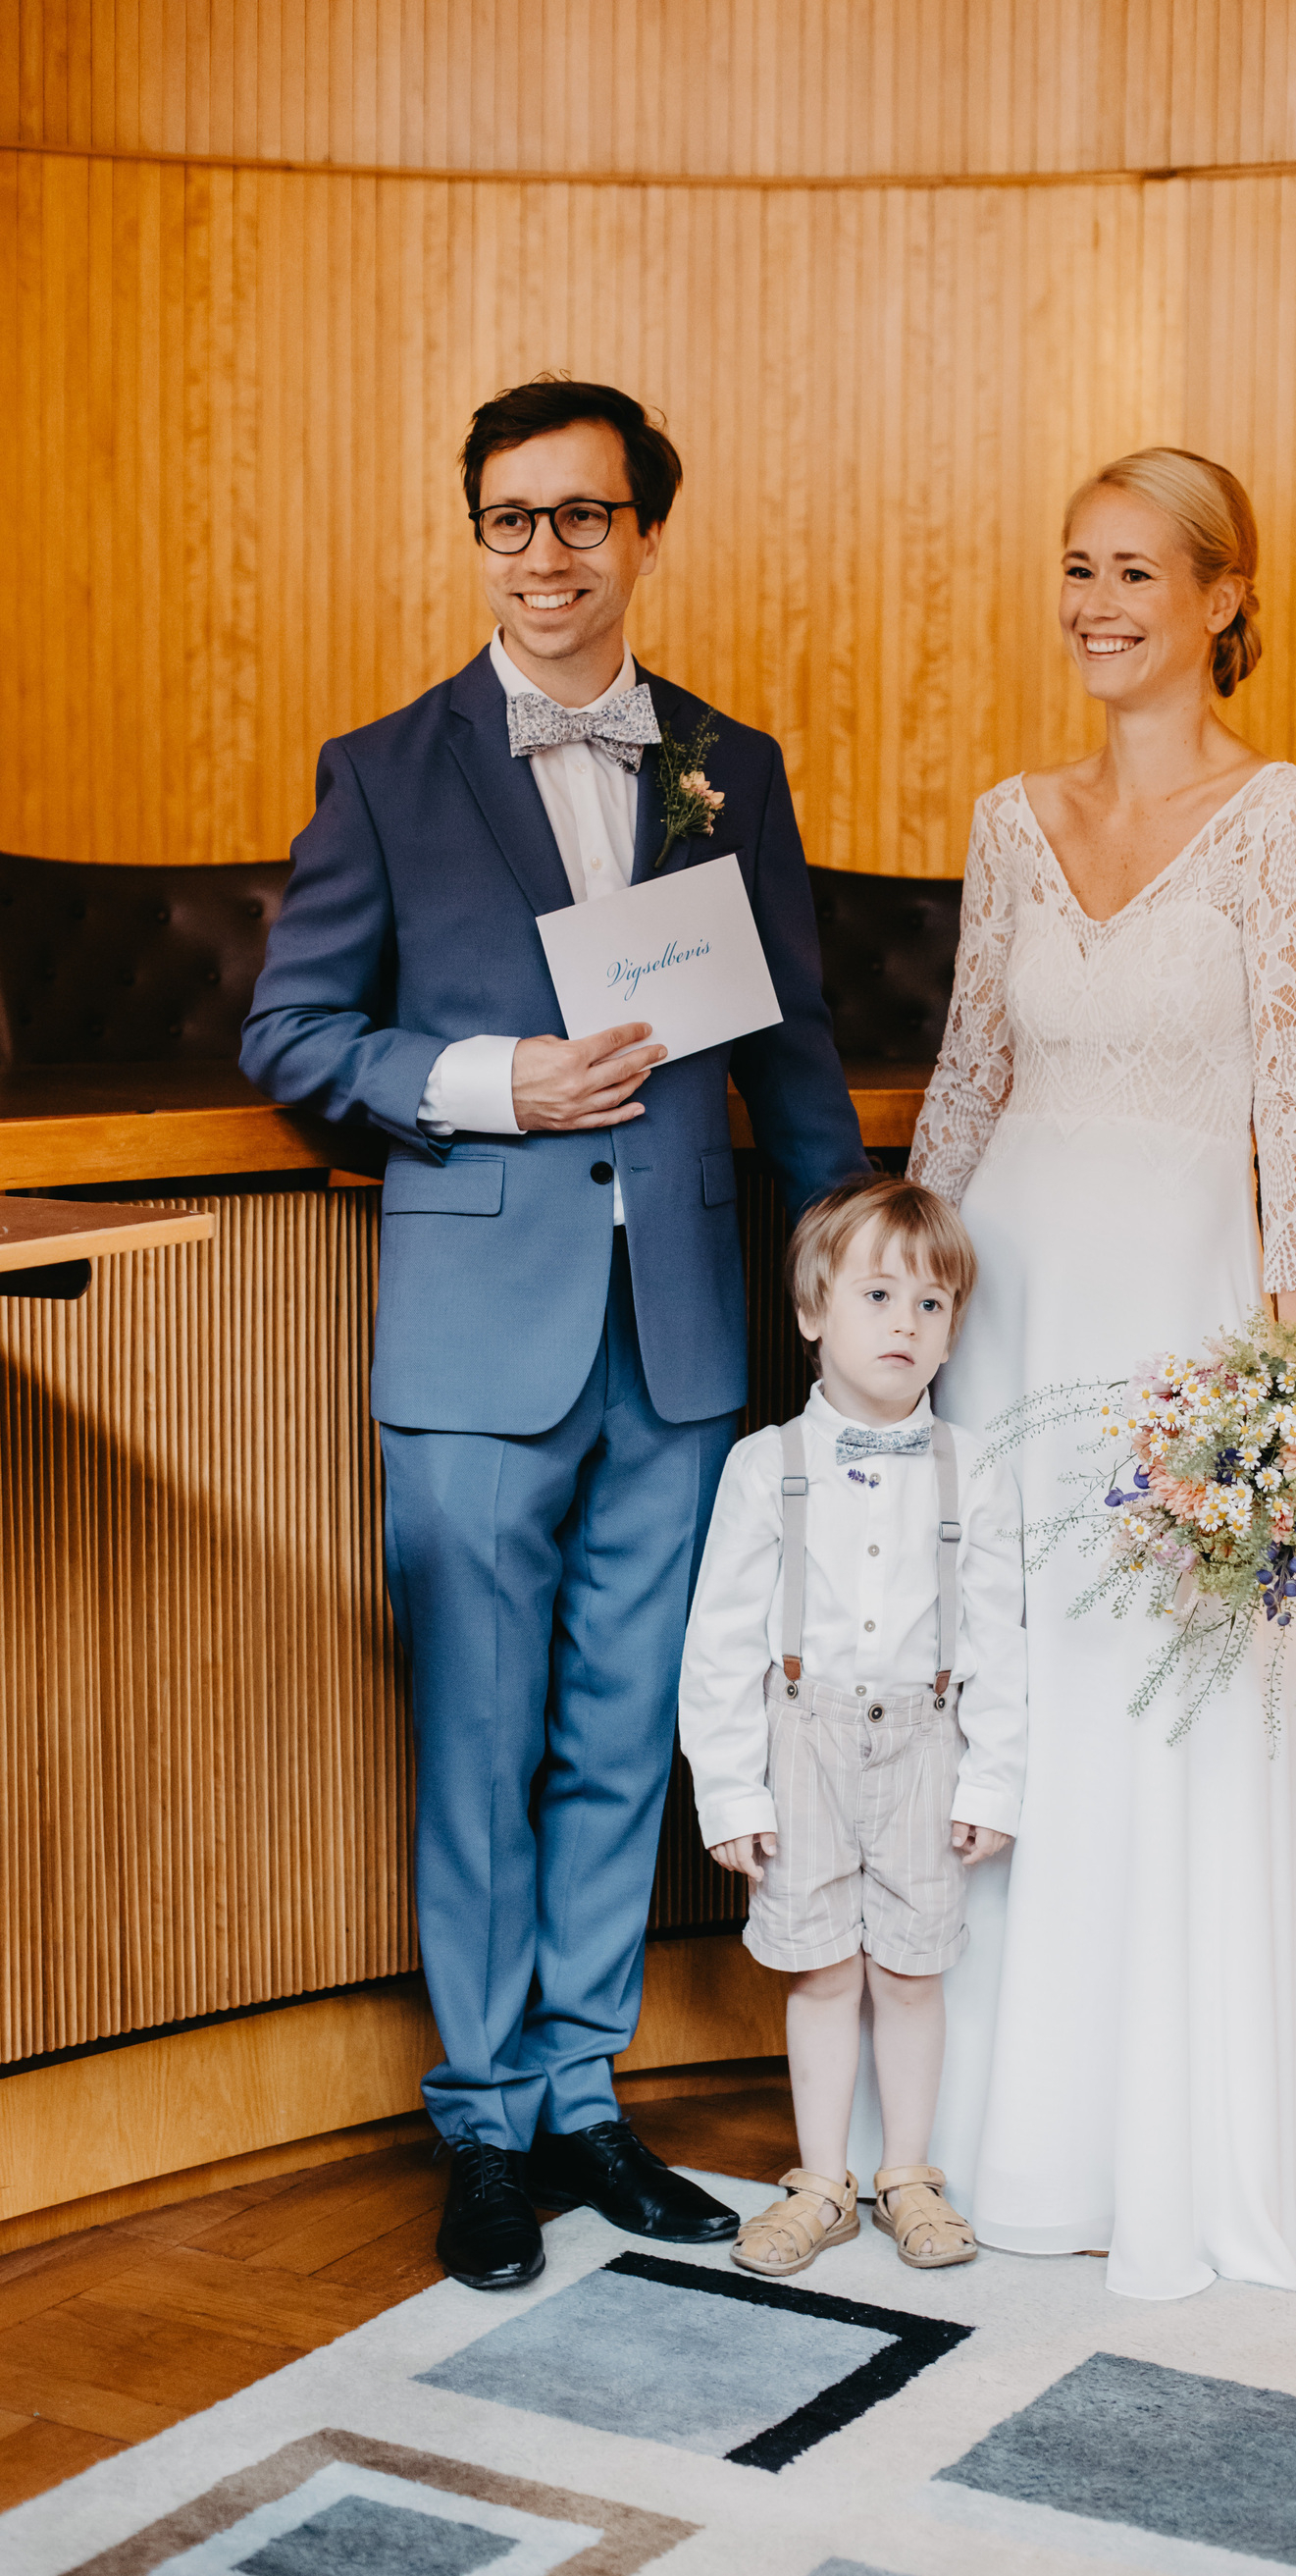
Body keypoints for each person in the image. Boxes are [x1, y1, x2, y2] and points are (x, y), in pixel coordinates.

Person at [241, 375, 867, 2289]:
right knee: (477, 1737)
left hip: (679, 1327)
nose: (545, 556)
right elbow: (291, 1037)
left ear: (643, 536)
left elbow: (795, 1039)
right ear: (478, 535)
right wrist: (495, 1080)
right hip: (474, 1329)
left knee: (622, 1735)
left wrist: (843, 1257)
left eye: (581, 518)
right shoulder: (384, 768)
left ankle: (589, 2101)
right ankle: (487, 2127)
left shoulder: (722, 765)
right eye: (510, 519)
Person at [907, 447, 1296, 2300]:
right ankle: (981, 2144)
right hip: (1006, 1312)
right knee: (1004, 1702)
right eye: (1074, 569)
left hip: (1180, 1340)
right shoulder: (1012, 820)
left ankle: (1159, 2149)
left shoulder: (1285, 824)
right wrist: (898, 1309)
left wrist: (1287, 1403)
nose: (1095, 605)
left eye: (1135, 576)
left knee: (1154, 1713)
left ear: (1223, 601)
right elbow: (963, 1082)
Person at [678, 1177, 1026, 2276]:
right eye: (877, 1295)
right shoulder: (760, 1466)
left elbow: (1001, 1642)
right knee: (822, 1970)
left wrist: (994, 1782)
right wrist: (731, 1792)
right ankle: (821, 2180)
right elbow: (720, 1646)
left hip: (928, 1744)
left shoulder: (980, 1469)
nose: (906, 1325)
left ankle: (906, 2176)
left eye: (931, 1306)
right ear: (813, 1313)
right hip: (802, 1747)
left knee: (913, 1971)